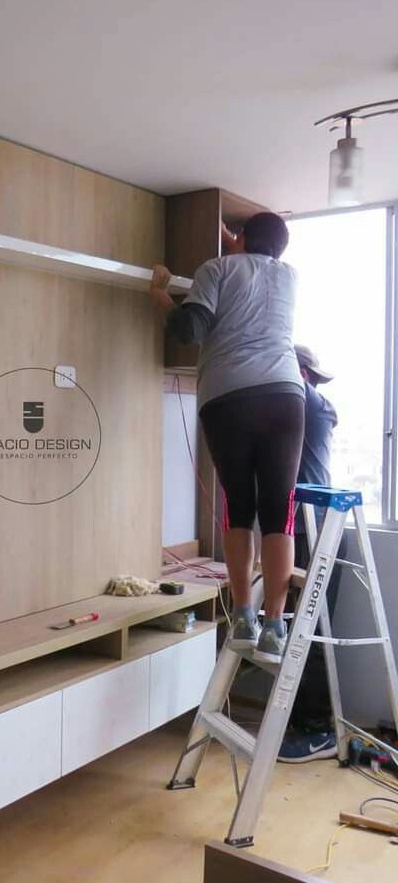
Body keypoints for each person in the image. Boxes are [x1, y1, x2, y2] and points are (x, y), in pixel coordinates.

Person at [151, 212, 304, 663]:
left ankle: (242, 615)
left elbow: (188, 330)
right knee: (280, 513)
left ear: (238, 239)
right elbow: (253, 259)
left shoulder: (216, 268)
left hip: (230, 397)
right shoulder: (289, 276)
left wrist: (159, 294)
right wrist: (235, 237)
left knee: (240, 507)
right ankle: (275, 623)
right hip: (284, 395)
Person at [278, 344, 340, 762]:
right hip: (300, 530)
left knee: (312, 630)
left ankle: (319, 731)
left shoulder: (316, 407)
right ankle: (301, 721)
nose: (312, 384)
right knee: (296, 628)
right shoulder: (293, 407)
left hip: (318, 530)